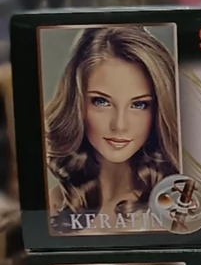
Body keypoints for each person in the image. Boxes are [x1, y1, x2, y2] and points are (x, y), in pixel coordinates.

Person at [45, 25, 180, 229]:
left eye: (139, 104)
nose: (119, 125)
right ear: (76, 104)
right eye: (101, 102)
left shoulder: (177, 208)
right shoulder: (55, 204)